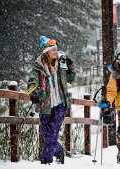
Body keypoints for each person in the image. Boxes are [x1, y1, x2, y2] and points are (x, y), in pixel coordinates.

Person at [29, 35, 75, 164]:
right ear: (46, 53)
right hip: (45, 105)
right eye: (53, 50)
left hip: (60, 104)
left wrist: (71, 67)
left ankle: (46, 161)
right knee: (47, 134)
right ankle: (59, 150)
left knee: (53, 132)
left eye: (56, 49)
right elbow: (31, 84)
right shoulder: (38, 68)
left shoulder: (61, 64)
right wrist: (34, 93)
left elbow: (71, 79)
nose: (56, 52)